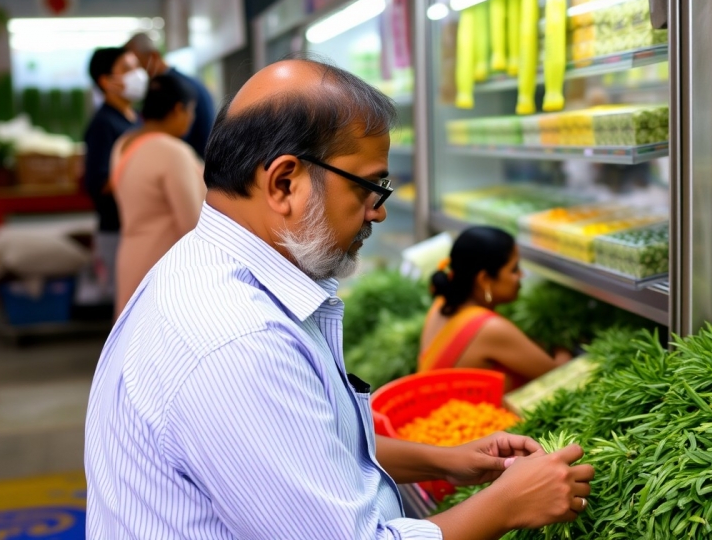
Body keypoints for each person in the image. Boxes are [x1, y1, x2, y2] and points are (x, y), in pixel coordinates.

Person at [85, 58, 593, 540]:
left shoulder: (208, 271)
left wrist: (447, 460)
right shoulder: (237, 342)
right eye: (369, 187)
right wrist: (507, 503)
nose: (378, 213)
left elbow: (305, 454)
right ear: (285, 183)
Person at [419, 227, 573, 391]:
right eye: (514, 269)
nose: (522, 275)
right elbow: (561, 378)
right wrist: (564, 346)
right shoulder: (490, 328)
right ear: (484, 279)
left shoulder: (442, 303)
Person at [110, 74, 204, 318]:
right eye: (190, 111)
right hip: (164, 265)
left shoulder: (123, 144)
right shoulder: (173, 152)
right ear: (177, 109)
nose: (191, 118)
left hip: (130, 257)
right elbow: (192, 226)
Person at [84, 47, 147, 302]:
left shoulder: (135, 119)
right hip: (116, 231)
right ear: (106, 81)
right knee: (124, 302)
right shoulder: (103, 124)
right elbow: (98, 183)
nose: (138, 75)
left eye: (137, 67)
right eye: (127, 69)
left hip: (137, 227)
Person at [125, 33, 215, 158]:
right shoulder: (165, 86)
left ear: (154, 56)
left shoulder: (180, 88)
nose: (134, 73)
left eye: (137, 65)